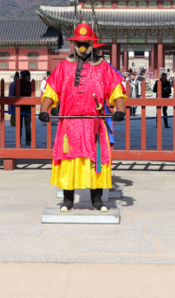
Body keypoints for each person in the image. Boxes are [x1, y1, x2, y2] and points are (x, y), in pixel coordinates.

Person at [38, 23, 126, 212]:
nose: (83, 46)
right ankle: (68, 200)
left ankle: (97, 199)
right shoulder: (64, 66)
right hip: (69, 123)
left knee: (96, 160)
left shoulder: (103, 67)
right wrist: (44, 109)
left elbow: (116, 89)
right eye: (79, 42)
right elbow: (51, 90)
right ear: (74, 44)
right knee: (69, 159)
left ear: (93, 44)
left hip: (94, 124)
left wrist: (120, 108)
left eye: (86, 42)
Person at [19, 70, 33, 146]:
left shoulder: (29, 84)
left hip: (27, 107)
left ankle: (28, 140)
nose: (29, 77)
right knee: (19, 125)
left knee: (28, 126)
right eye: (28, 75)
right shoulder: (19, 83)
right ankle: (19, 139)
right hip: (20, 107)